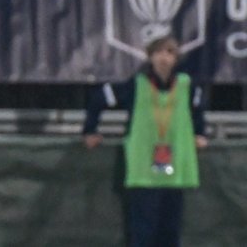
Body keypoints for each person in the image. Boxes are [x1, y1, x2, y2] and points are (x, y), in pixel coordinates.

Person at [82, 35, 207, 247]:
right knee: (142, 234)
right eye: (158, 52)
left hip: (175, 173)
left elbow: (198, 110)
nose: (164, 57)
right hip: (143, 174)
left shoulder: (187, 86)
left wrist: (200, 133)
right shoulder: (136, 85)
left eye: (170, 52)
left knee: (170, 234)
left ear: (176, 58)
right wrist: (90, 130)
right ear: (150, 57)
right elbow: (99, 98)